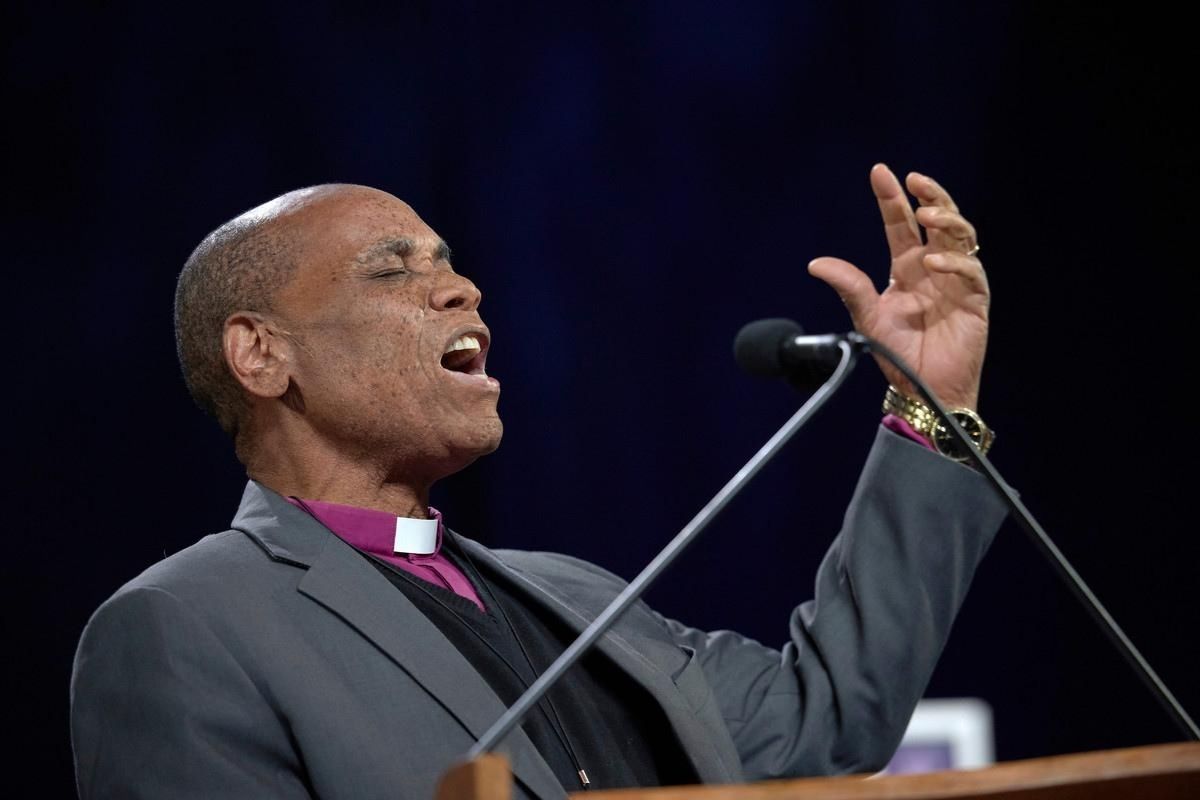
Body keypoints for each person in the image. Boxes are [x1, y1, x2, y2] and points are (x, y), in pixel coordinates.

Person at [69, 164, 1007, 800]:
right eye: (392, 271)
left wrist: (934, 408)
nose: (462, 289)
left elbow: (830, 720)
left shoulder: (573, 595)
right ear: (261, 355)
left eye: (450, 263)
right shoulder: (182, 626)